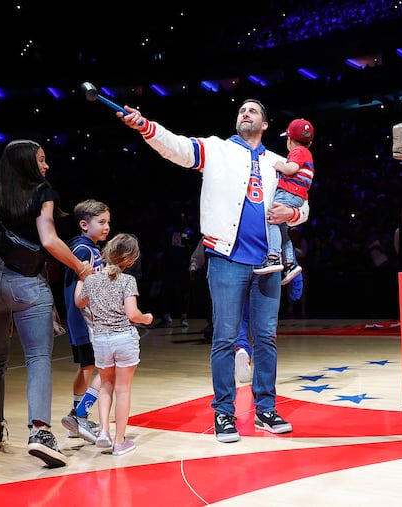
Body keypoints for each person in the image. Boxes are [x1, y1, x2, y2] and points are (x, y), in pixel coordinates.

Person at [118, 98, 308, 443]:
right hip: (226, 258)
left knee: (266, 338)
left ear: (265, 125)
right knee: (224, 337)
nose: (245, 113)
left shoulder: (276, 161)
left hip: (268, 262)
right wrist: (146, 127)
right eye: (241, 110)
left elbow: (303, 203)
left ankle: (266, 407)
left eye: (253, 111)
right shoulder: (217, 149)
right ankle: (224, 412)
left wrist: (292, 215)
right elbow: (175, 147)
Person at [0, 139, 95, 468]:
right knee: (38, 358)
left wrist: (1, 253)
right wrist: (80, 268)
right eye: (41, 160)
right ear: (26, 163)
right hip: (27, 283)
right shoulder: (42, 192)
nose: (46, 166)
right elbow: (49, 239)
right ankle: (40, 432)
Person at [75, 233, 153, 456]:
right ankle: (119, 442)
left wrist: (83, 278)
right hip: (123, 338)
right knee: (123, 389)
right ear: (130, 260)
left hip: (100, 340)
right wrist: (146, 318)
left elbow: (79, 302)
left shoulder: (92, 280)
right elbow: (132, 314)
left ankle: (103, 432)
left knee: (106, 386)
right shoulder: (128, 281)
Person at [60, 199, 111, 444]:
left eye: (108, 222)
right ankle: (78, 413)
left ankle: (76, 420)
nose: (106, 227)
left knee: (87, 367)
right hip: (87, 322)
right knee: (105, 368)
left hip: (84, 321)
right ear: (84, 224)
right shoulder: (83, 251)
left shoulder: (88, 249)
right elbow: (77, 291)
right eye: (101, 222)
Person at [253, 118, 314, 286]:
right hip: (297, 196)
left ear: (289, 139)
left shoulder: (298, 152)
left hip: (288, 193)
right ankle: (290, 263)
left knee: (272, 218)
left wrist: (279, 165)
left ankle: (273, 258)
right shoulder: (307, 153)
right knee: (282, 228)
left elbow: (291, 168)